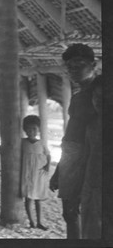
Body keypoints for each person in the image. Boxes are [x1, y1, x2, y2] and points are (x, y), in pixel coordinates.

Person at [49, 43, 97, 239]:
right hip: (72, 159)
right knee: (70, 213)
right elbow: (71, 138)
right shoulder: (78, 97)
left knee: (90, 215)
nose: (73, 70)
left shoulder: (100, 93)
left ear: (94, 64)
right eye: (69, 66)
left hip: (90, 159)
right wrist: (59, 170)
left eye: (79, 64)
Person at [20, 115, 50, 230]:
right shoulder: (22, 142)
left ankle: (39, 222)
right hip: (27, 173)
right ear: (24, 130)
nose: (31, 131)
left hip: (38, 173)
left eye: (34, 129)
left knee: (38, 199)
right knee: (28, 198)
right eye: (28, 129)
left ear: (38, 130)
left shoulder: (41, 143)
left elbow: (48, 155)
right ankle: (32, 222)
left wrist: (47, 165)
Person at [80, 75, 102, 239]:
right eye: (96, 97)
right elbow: (86, 156)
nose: (99, 101)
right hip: (91, 185)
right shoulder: (92, 126)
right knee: (90, 229)